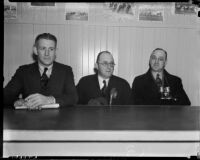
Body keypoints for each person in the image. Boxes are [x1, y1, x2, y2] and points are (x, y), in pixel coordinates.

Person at [4, 33, 78, 109]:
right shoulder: (23, 71)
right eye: (43, 48)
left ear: (55, 51)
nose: (47, 53)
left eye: (51, 49)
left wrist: (49, 100)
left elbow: (73, 98)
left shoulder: (66, 70)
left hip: (59, 119)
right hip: (30, 119)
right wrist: (18, 101)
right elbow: (6, 95)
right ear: (36, 50)